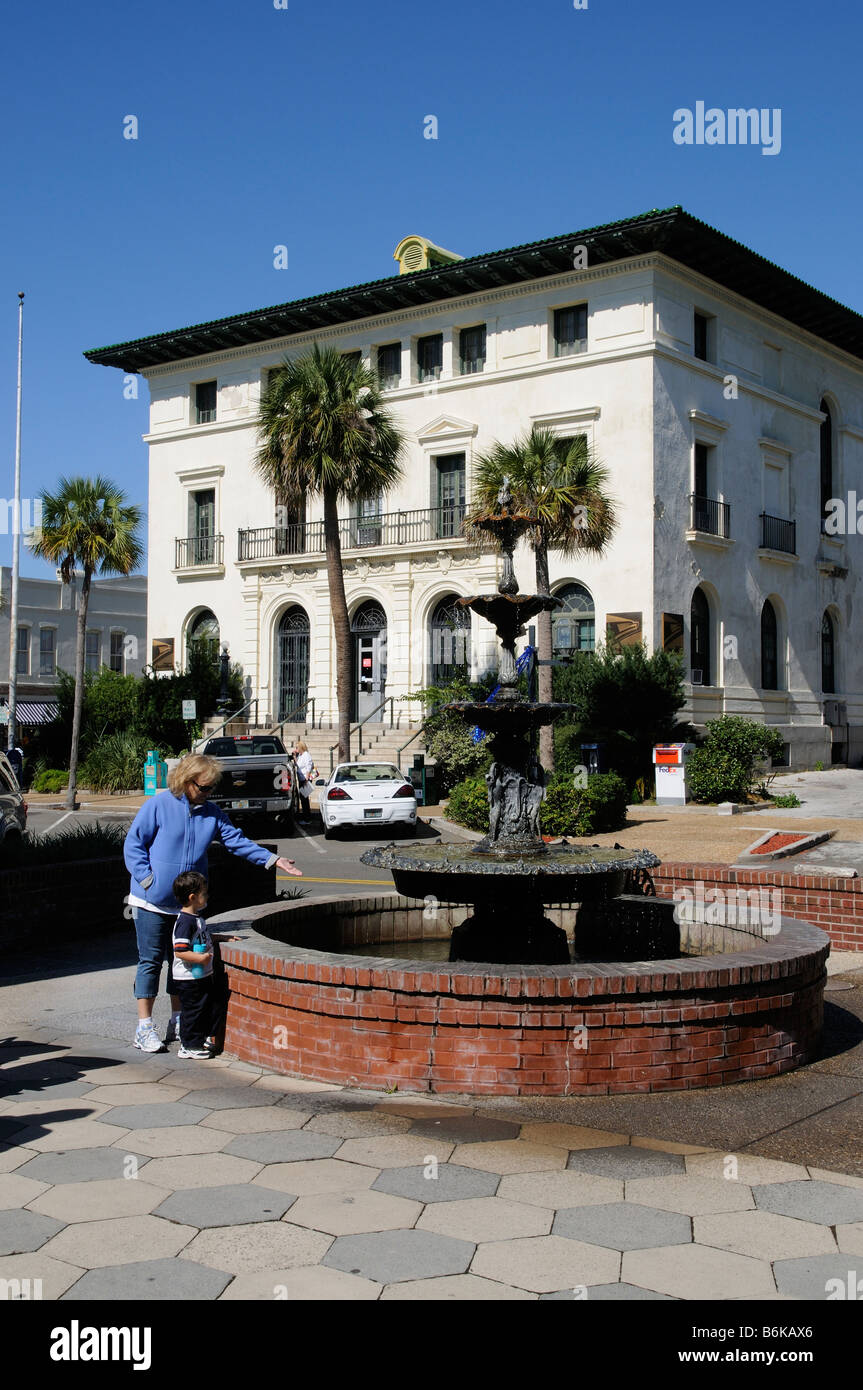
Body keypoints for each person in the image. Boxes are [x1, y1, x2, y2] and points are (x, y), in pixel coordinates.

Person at [124, 751, 302, 1054]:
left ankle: (178, 1020)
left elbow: (236, 841)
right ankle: (144, 1027)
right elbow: (134, 844)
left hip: (185, 907)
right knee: (150, 963)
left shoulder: (212, 813)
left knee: (179, 963)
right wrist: (147, 880)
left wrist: (272, 859)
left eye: (210, 788)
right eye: (203, 787)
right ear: (186, 780)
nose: (208, 793)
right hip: (151, 903)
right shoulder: (158, 806)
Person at [170, 871, 235, 1059]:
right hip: (189, 978)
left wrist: (221, 937)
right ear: (192, 897)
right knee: (192, 1011)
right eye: (204, 893)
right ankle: (188, 1045)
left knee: (204, 1007)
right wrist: (201, 959)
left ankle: (199, 1038)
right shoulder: (185, 922)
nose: (207, 896)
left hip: (201, 975)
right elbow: (179, 950)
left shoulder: (196, 918)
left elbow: (202, 937)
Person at [293, 740, 318, 825]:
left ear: (301, 747)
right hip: (301, 779)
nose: (296, 749)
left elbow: (308, 766)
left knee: (304, 799)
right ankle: (306, 817)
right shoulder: (300, 755)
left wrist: (307, 780)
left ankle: (307, 818)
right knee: (303, 798)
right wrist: (295, 757)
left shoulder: (306, 755)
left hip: (305, 779)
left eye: (297, 747)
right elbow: (298, 765)